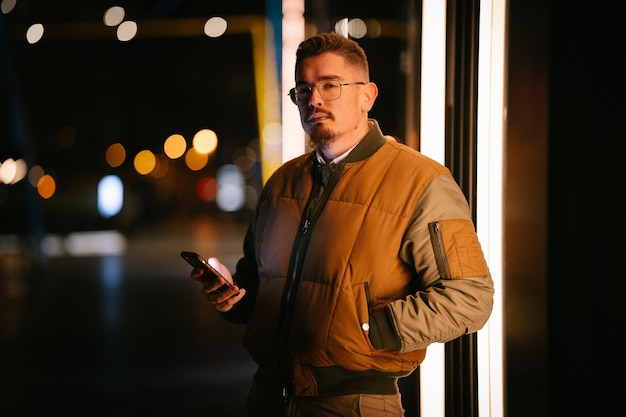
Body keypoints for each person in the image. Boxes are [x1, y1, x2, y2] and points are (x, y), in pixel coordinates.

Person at [190, 32, 494, 417]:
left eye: (330, 85)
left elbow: (470, 298)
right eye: (303, 90)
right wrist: (235, 297)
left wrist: (372, 328)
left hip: (356, 404)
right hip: (266, 398)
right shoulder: (281, 184)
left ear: (367, 95)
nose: (314, 99)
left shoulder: (420, 182)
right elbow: (256, 284)